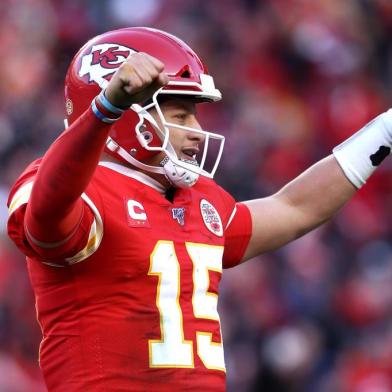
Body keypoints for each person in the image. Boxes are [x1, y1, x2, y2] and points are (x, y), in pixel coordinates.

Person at [5, 26, 392, 391]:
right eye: (179, 114)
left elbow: (294, 208)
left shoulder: (198, 200)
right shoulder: (71, 188)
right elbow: (45, 213)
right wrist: (104, 111)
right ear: (127, 114)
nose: (195, 129)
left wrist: (384, 131)